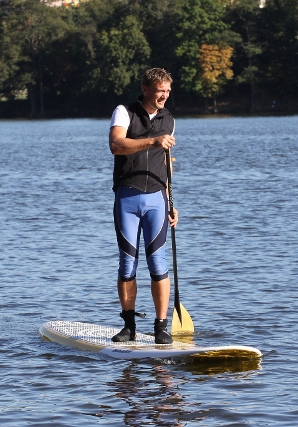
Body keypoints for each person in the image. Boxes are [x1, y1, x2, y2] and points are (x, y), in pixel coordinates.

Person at [109, 68, 178, 345]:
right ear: (146, 89)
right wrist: (152, 141)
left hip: (157, 200)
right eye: (161, 90)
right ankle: (129, 326)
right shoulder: (124, 112)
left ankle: (161, 327)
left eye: (168, 91)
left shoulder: (169, 119)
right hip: (127, 197)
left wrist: (172, 202)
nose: (165, 96)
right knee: (128, 263)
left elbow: (168, 163)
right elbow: (116, 145)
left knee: (157, 263)